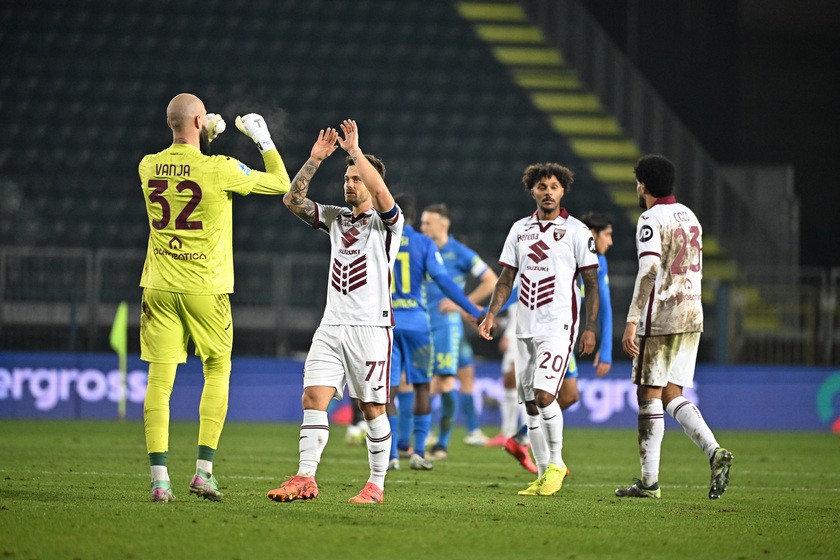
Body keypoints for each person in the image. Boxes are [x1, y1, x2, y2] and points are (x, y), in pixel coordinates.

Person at [139, 94, 291, 503]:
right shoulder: (219, 168)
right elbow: (281, 183)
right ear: (201, 120)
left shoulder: (147, 165)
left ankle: (159, 480)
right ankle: (203, 472)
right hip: (206, 287)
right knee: (217, 369)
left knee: (159, 381)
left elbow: (183, 164)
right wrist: (262, 138)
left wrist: (205, 136)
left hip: (159, 285)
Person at [267, 120, 403, 505]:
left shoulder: (388, 224)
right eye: (346, 178)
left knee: (372, 406)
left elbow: (381, 191)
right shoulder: (336, 219)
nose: (350, 184)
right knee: (313, 398)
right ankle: (305, 477)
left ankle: (376, 485)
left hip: (370, 328)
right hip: (331, 326)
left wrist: (357, 152)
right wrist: (313, 160)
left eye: (356, 178)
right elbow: (292, 201)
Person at [479, 162, 599, 497]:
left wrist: (590, 328)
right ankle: (544, 472)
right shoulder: (519, 230)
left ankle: (557, 463)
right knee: (530, 403)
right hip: (524, 327)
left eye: (554, 187)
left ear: (563, 192)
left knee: (546, 396)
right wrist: (491, 314)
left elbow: (591, 283)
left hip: (559, 326)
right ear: (532, 190)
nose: (548, 192)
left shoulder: (577, 231)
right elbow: (505, 279)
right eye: (542, 187)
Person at [617, 154, 732, 500]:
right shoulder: (689, 215)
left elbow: (650, 268)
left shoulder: (650, 218)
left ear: (644, 185)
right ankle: (714, 451)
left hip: (662, 315)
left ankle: (649, 482)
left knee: (648, 395)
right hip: (692, 313)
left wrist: (632, 319)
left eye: (637, 182)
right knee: (671, 393)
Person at [388, 195, 483, 470]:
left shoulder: (380, 238)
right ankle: (419, 453)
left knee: (389, 392)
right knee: (422, 388)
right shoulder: (424, 242)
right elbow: (445, 282)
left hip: (388, 323)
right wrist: (474, 311)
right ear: (415, 217)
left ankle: (392, 455)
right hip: (419, 324)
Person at [420, 204, 498, 457]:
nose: (422, 227)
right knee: (420, 380)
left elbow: (492, 281)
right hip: (419, 321)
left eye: (427, 223)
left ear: (443, 225)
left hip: (445, 325)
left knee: (444, 379)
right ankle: (419, 436)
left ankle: (440, 441)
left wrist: (461, 304)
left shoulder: (459, 252)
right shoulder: (420, 247)